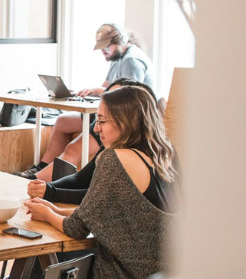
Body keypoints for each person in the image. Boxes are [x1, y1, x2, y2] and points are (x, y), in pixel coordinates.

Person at [24, 85, 177, 279]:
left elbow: (76, 228)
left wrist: (47, 214)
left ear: (125, 122)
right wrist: (55, 210)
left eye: (102, 120)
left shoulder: (115, 159)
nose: (96, 128)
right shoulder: (162, 156)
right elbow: (107, 214)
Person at [16, 24, 155, 181]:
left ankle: (38, 181)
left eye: (106, 47)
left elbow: (129, 98)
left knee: (73, 148)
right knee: (62, 122)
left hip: (123, 120)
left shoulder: (132, 60)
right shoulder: (117, 58)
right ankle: (43, 166)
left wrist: (100, 91)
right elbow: (107, 87)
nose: (103, 52)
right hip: (111, 113)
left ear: (120, 41)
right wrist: (89, 92)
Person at [26, 78, 160, 204]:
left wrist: (50, 193)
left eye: (102, 120)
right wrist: (45, 187)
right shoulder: (118, 145)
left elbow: (96, 201)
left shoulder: (126, 157)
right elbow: (82, 179)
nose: (96, 129)